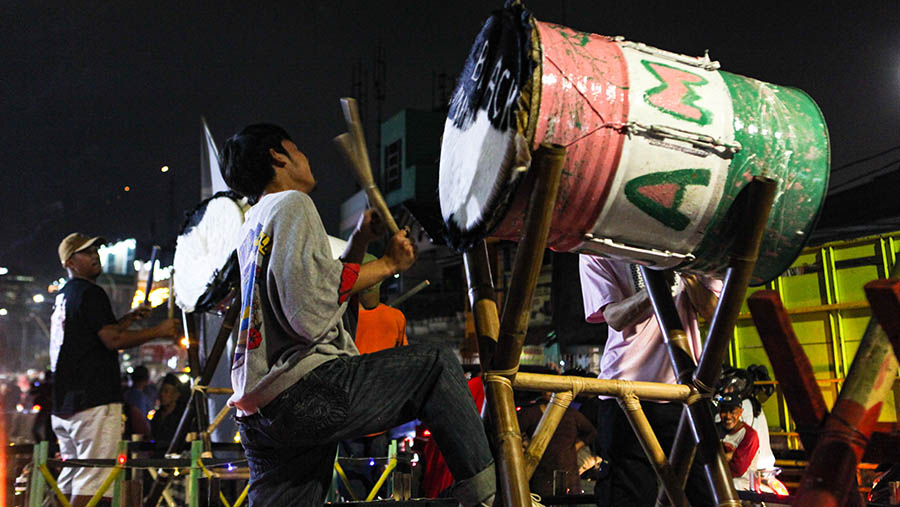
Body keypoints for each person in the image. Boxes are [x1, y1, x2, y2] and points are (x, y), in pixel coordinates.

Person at [220, 123, 495, 506]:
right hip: (304, 391)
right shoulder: (293, 203)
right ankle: (485, 494)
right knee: (436, 365)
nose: (306, 159)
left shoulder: (252, 223)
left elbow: (312, 287)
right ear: (278, 156)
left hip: (261, 405)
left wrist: (360, 241)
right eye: (298, 150)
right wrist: (387, 264)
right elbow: (310, 308)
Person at [579, 256, 721, 507]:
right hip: (625, 392)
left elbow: (711, 309)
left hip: (682, 390)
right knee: (630, 495)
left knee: (705, 492)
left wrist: (683, 270)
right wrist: (657, 284)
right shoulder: (597, 246)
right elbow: (614, 316)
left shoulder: (691, 243)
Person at [50, 233, 179, 506]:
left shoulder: (66, 296)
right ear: (70, 262)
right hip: (93, 402)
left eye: (95, 250)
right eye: (86, 252)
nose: (95, 255)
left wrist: (131, 318)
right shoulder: (90, 292)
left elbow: (98, 334)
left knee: (72, 477)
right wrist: (159, 330)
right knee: (95, 479)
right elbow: (112, 340)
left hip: (66, 404)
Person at [517, 391, 597, 499]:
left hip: (568, 469)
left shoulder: (572, 414)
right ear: (543, 391)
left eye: (557, 390)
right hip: (541, 469)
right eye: (549, 390)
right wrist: (526, 445)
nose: (552, 393)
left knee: (569, 500)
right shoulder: (532, 413)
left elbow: (591, 433)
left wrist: (576, 447)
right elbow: (515, 433)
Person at [717, 396, 759, 490]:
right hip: (718, 480)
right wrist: (729, 456)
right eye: (724, 411)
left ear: (740, 412)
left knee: (732, 484)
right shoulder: (714, 429)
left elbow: (737, 470)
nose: (728, 416)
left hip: (743, 483)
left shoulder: (749, 435)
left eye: (732, 411)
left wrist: (719, 458)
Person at [150, 373, 189, 450]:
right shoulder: (157, 415)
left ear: (176, 395)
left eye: (166, 392)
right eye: (161, 391)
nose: (162, 395)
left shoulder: (182, 416)